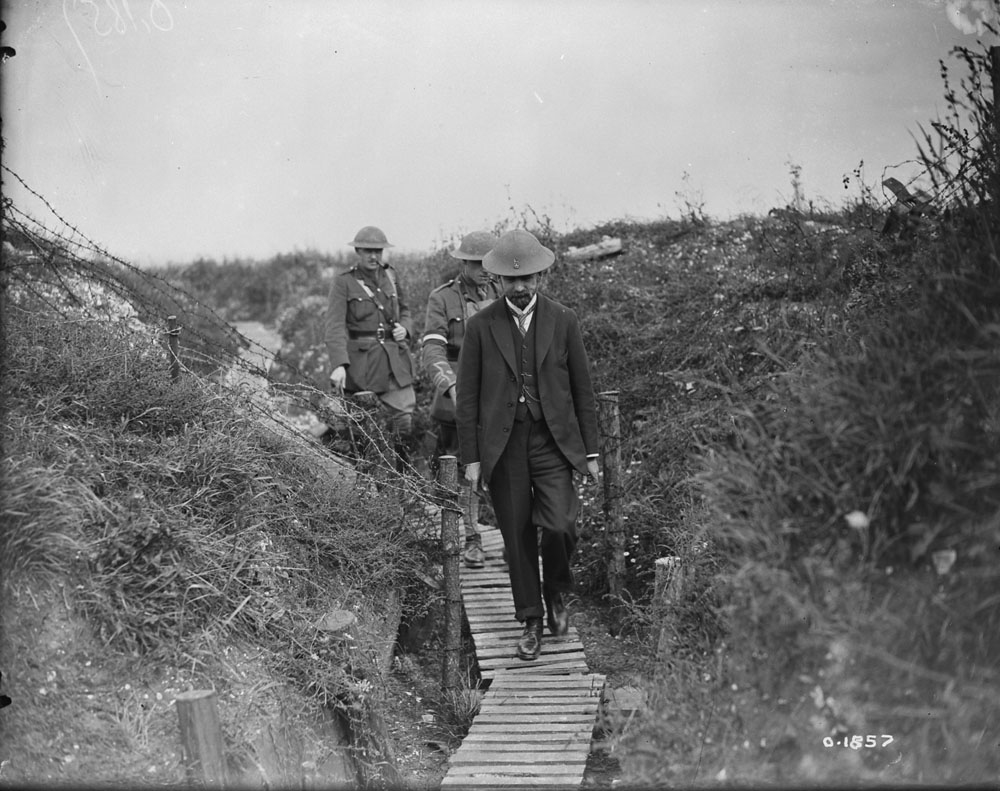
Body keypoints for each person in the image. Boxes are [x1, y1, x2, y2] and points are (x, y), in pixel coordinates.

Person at [456, 229, 600, 661]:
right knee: (516, 535)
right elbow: (467, 398)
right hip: (504, 445)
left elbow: (582, 389)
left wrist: (591, 453)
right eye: (511, 280)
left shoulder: (565, 320)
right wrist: (472, 460)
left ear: (541, 277)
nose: (520, 288)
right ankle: (531, 620)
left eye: (529, 279)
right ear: (498, 281)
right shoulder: (481, 326)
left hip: (552, 441)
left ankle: (557, 590)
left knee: (560, 524)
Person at [420, 230, 501, 568]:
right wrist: (451, 385)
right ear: (464, 263)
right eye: (477, 263)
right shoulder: (443, 299)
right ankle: (472, 540)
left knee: (504, 470)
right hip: (457, 401)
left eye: (489, 263)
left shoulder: (502, 293)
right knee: (464, 472)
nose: (485, 269)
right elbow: (432, 348)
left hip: (496, 396)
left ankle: (512, 539)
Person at [325, 226, 416, 469]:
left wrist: (405, 328)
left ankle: (404, 480)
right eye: (368, 251)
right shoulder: (344, 282)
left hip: (394, 362)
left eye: (378, 251)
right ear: (357, 251)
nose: (374, 256)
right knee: (361, 431)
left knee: (404, 422)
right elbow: (334, 326)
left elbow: (406, 310)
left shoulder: (392, 277)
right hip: (361, 366)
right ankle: (368, 481)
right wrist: (339, 365)